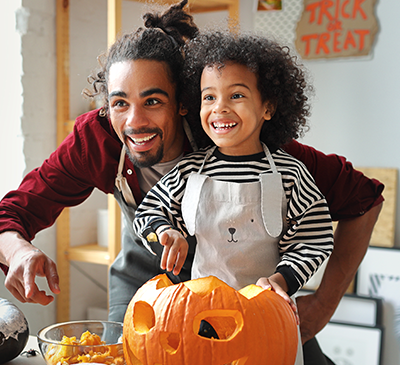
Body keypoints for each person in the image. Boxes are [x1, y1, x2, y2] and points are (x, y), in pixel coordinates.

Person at [0, 0, 384, 365]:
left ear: (184, 103)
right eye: (119, 103)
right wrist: (19, 251)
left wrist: (323, 304)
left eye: (153, 101)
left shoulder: (240, 139)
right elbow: (2, 221)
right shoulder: (98, 139)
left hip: (248, 289)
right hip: (146, 280)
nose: (134, 121)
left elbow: (364, 200)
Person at [133, 30, 332, 306]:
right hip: (200, 313)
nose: (220, 108)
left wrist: (280, 280)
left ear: (268, 107)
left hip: (267, 313)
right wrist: (167, 233)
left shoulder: (290, 174)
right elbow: (148, 212)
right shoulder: (189, 172)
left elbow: (314, 240)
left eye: (236, 95)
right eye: (209, 97)